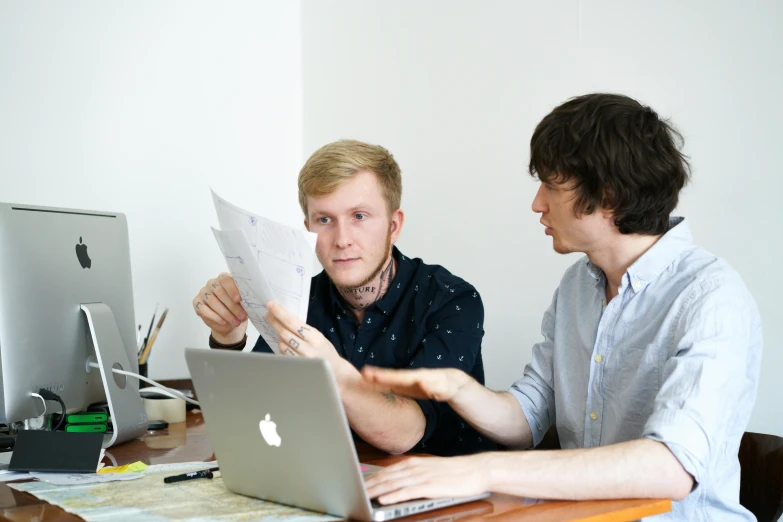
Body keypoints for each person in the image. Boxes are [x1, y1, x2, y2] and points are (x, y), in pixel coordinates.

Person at [362, 94, 762, 521]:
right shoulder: (577, 285)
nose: (537, 203)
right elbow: (527, 420)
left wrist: (483, 470)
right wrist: (458, 389)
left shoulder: (711, 298)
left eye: (552, 185)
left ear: (607, 194)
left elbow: (669, 467)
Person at [193, 139, 495, 456]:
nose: (342, 240)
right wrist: (228, 334)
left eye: (359, 216)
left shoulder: (451, 300)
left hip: (453, 492)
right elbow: (244, 419)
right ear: (308, 228)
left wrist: (333, 371)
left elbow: (404, 434)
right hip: (338, 485)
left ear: (393, 226)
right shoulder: (300, 300)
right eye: (325, 220)